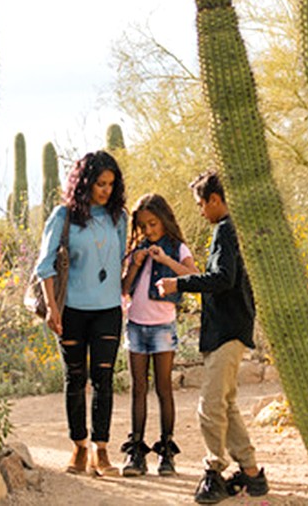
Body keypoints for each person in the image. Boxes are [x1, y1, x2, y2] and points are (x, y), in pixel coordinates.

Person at [157, 170, 266, 505]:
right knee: (227, 403)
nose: (201, 211)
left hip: (228, 331)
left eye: (202, 204)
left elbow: (222, 278)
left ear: (215, 200)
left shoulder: (226, 229)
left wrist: (179, 284)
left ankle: (213, 472)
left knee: (209, 406)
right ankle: (250, 472)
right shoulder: (233, 230)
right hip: (232, 329)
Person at [34, 149, 128, 477]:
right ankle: (79, 445)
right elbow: (44, 266)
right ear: (85, 182)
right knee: (75, 379)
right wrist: (52, 309)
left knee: (103, 379)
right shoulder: (63, 217)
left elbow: (119, 263)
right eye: (100, 183)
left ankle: (101, 451)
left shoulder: (119, 217)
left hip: (108, 312)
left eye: (111, 184)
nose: (106, 190)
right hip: (71, 311)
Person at [118, 193, 198, 477]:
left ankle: (166, 453)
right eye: (144, 226)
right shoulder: (138, 248)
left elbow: (193, 275)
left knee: (164, 389)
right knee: (138, 388)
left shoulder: (178, 247)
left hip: (163, 327)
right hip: (136, 326)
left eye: (153, 224)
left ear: (164, 220)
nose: (149, 231)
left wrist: (165, 258)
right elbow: (124, 289)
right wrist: (137, 263)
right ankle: (136, 453)